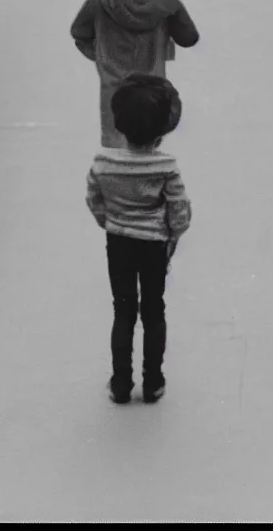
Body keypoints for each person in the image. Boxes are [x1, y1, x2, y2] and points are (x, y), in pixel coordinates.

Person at [85, 74, 192, 404]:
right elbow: (179, 209)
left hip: (118, 244)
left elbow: (94, 198)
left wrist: (111, 223)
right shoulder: (166, 166)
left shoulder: (103, 163)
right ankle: (153, 382)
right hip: (154, 246)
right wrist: (172, 236)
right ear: (162, 131)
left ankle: (120, 383)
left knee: (123, 311)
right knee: (154, 311)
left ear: (119, 124)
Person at [70, 0, 199, 148]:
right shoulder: (167, 3)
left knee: (116, 158)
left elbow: (79, 34)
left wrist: (102, 56)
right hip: (153, 95)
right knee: (147, 155)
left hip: (113, 94)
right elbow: (189, 39)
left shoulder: (99, 1)